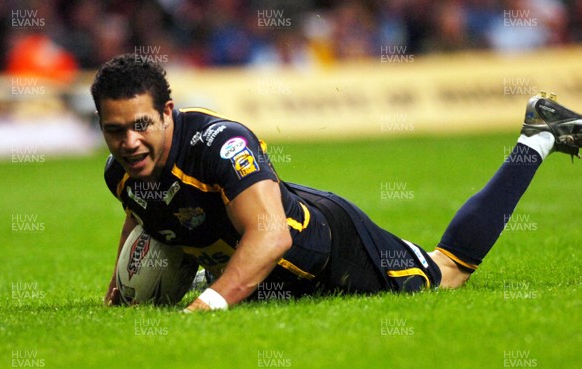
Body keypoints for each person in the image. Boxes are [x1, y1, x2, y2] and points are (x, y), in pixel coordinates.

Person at [91, 54, 582, 312]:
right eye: (115, 131)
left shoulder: (221, 144)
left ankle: (536, 136)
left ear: (167, 114)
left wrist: (207, 304)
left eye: (141, 125)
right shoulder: (122, 173)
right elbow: (141, 211)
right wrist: (119, 282)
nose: (129, 142)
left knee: (446, 275)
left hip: (323, 245)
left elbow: (273, 233)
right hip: (269, 272)